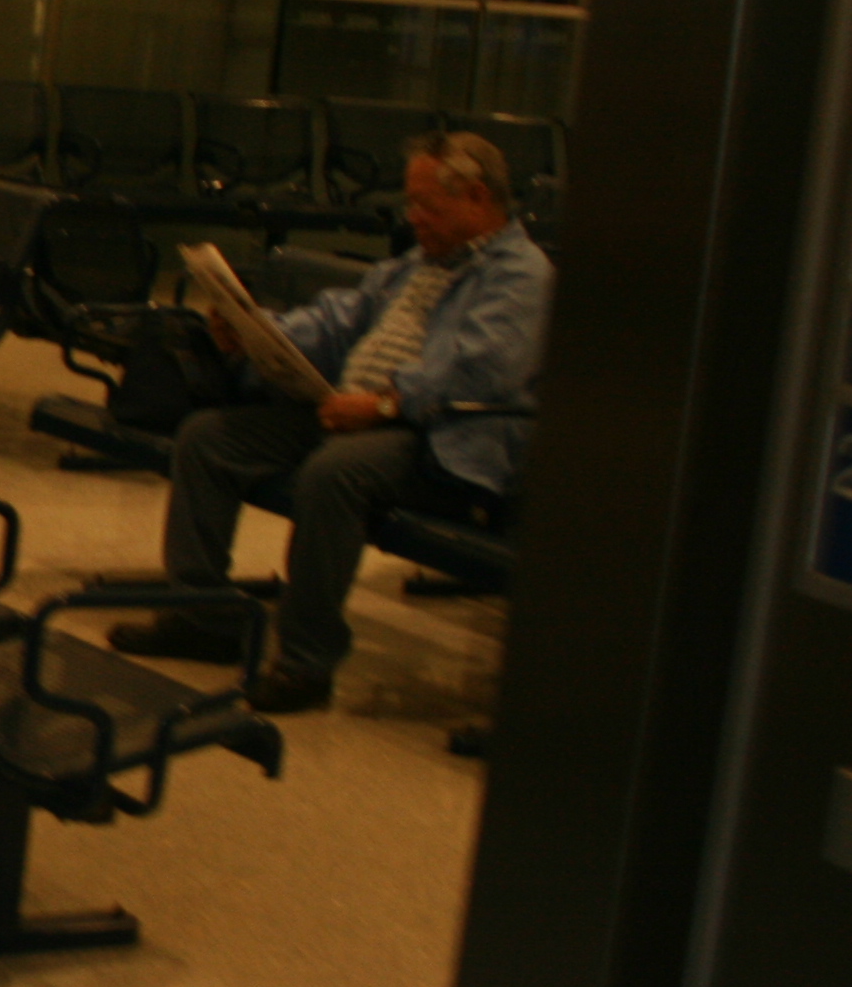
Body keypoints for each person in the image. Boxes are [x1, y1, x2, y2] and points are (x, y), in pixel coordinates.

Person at [109, 132, 553, 712]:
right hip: (357, 412)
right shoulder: (418, 263)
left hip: (439, 438)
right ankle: (203, 618)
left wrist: (386, 404)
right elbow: (339, 320)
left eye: (426, 205)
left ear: (476, 196)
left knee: (333, 474)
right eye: (411, 204)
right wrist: (261, 333)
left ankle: (305, 663)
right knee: (208, 438)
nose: (414, 218)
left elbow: (481, 371)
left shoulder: (522, 276)